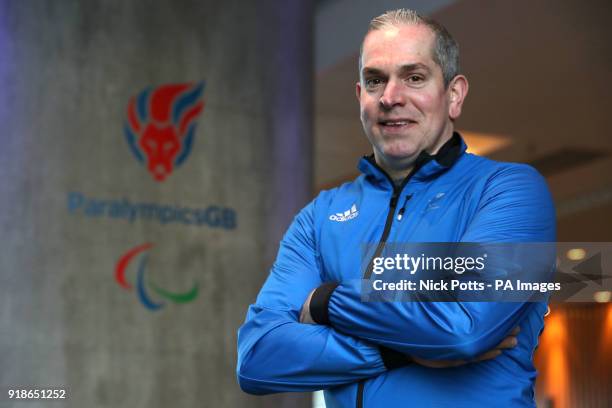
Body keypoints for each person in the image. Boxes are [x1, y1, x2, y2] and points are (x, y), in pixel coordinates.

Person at [237, 8, 555, 408]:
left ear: (453, 94)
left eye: (414, 77)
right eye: (375, 81)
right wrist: (400, 351)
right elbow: (258, 357)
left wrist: (324, 301)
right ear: (360, 98)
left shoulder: (508, 190)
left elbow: (465, 330)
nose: (390, 97)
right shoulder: (320, 216)